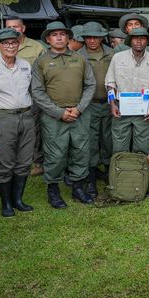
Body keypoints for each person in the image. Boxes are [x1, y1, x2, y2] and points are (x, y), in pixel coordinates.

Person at [31, 21, 96, 208]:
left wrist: (79, 108)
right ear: (48, 39)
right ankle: (53, 190)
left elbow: (90, 84)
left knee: (81, 151)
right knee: (56, 154)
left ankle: (78, 188)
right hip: (54, 117)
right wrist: (59, 112)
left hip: (79, 114)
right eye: (54, 34)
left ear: (68, 38)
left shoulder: (80, 58)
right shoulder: (41, 61)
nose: (59, 37)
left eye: (62, 34)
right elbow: (37, 91)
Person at [0, 27, 36, 217]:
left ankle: (18, 200)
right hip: (2, 118)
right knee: (4, 161)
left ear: (19, 44)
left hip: (26, 117)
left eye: (14, 42)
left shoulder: (25, 65)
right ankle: (6, 204)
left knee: (25, 159)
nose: (11, 46)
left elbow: (32, 90)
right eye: (6, 43)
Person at [0, 16, 46, 178]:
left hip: (30, 97)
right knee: (2, 133)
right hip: (5, 97)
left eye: (16, 26)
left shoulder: (37, 47)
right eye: (9, 26)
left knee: (33, 131)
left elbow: (42, 73)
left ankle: (37, 162)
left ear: (23, 28)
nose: (13, 29)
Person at [105, 28, 149, 155]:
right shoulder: (118, 58)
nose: (139, 41)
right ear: (130, 41)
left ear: (147, 41)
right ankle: (121, 173)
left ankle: (140, 173)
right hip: (120, 108)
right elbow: (110, 83)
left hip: (144, 111)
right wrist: (113, 104)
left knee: (143, 147)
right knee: (119, 147)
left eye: (143, 38)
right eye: (135, 38)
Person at [78, 22, 114, 196]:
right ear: (83, 39)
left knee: (108, 139)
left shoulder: (112, 54)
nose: (92, 41)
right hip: (88, 105)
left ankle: (109, 173)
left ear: (101, 37)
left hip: (109, 103)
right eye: (88, 37)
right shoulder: (78, 56)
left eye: (96, 37)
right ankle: (91, 178)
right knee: (91, 141)